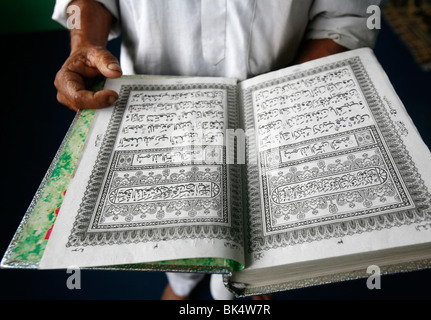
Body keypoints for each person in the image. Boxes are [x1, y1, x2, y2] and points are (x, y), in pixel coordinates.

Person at [52, 0, 384, 299]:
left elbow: (347, 16)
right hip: (156, 114)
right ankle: (182, 283)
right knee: (174, 227)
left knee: (266, 236)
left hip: (280, 105)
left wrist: (283, 100)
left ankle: (250, 288)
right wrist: (86, 43)